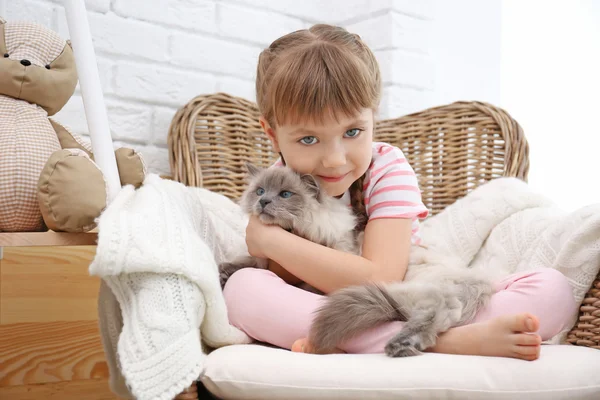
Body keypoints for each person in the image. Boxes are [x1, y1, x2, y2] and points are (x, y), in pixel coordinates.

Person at [220, 24, 578, 360]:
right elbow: (287, 278)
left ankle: (368, 340)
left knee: (553, 289)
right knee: (242, 291)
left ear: (373, 117)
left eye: (353, 132)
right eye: (308, 139)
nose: (334, 160)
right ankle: (445, 342)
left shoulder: (386, 167)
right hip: (320, 303)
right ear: (272, 134)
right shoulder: (275, 185)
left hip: (402, 293)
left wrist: (270, 242)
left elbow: (382, 276)